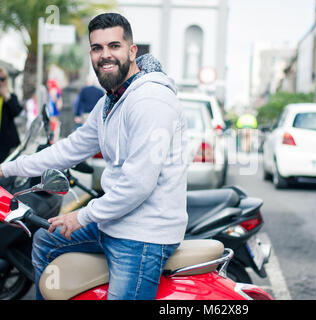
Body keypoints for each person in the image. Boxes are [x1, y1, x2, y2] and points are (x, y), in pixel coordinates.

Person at [0, 12, 187, 300]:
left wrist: (82, 216)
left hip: (143, 235)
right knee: (44, 241)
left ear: (132, 50)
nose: (105, 55)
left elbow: (138, 184)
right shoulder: (109, 101)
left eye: (114, 46)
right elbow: (69, 149)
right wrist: (7, 169)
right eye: (97, 48)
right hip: (113, 222)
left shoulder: (151, 100)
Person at [0, 67, 23, 163]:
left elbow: (17, 111)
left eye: (2, 79)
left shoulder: (11, 96)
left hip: (7, 142)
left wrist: (7, 97)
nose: (0, 82)